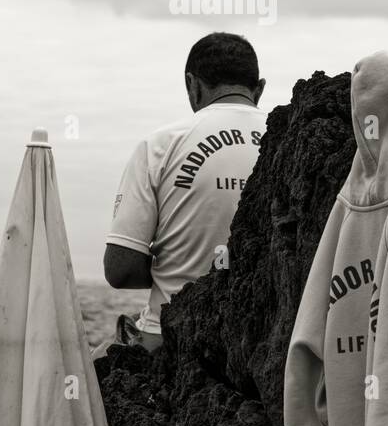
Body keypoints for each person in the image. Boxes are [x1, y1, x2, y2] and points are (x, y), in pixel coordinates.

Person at [100, 33, 267, 353]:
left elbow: (119, 269)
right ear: (259, 88)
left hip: (171, 339)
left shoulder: (160, 145)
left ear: (193, 84)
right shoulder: (290, 137)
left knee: (91, 372)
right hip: (266, 338)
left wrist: (181, 264)